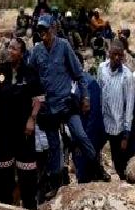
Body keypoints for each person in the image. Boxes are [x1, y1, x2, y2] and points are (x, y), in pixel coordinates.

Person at [31, 14, 105, 192]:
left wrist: (85, 97)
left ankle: (97, 167)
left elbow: (79, 75)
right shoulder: (36, 51)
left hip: (66, 102)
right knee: (54, 146)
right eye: (40, 30)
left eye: (46, 29)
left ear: (53, 29)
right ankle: (56, 184)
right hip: (48, 107)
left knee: (79, 134)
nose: (43, 33)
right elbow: (31, 76)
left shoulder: (63, 46)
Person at [0, 38, 43, 209]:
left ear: (22, 53)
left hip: (23, 129)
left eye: (14, 49)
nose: (10, 51)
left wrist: (32, 118)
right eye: (9, 47)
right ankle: (6, 208)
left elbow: (38, 99)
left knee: (27, 169)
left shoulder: (30, 72)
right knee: (4, 169)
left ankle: (30, 209)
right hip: (1, 127)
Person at [97, 41, 135, 180]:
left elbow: (129, 106)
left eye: (120, 55)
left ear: (123, 56)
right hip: (102, 121)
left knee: (118, 161)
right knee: (94, 152)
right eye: (114, 54)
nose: (117, 58)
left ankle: (125, 185)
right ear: (109, 53)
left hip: (117, 126)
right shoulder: (101, 68)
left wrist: (126, 134)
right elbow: (99, 91)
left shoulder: (127, 77)